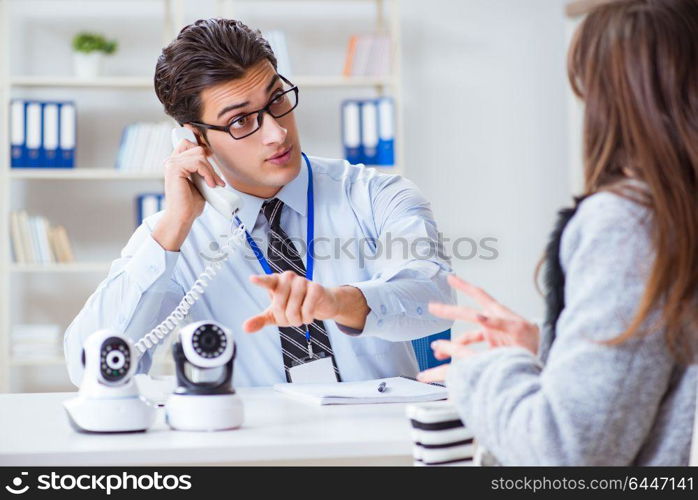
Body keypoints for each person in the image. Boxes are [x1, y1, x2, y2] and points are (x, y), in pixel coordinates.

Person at [64, 19, 454, 387]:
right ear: (196, 140)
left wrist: (339, 301)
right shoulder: (172, 236)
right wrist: (174, 228)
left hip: (380, 443)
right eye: (240, 121)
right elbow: (86, 366)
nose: (276, 132)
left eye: (277, 99)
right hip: (255, 445)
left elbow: (434, 293)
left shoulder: (375, 194)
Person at [419, 0, 698, 465]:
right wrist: (548, 350)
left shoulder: (629, 224)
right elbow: (652, 367)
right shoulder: (677, 212)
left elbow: (564, 451)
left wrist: (481, 370)